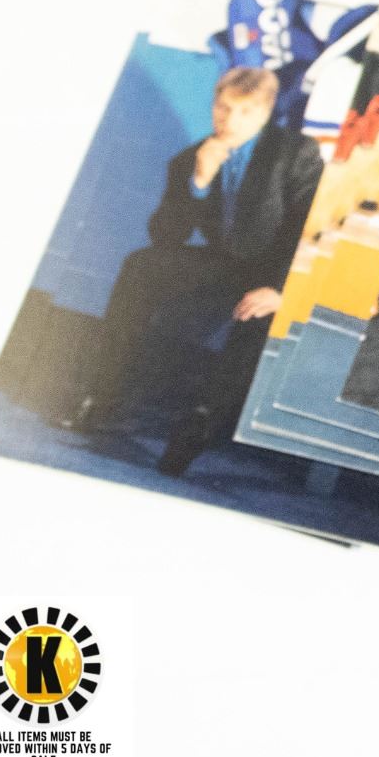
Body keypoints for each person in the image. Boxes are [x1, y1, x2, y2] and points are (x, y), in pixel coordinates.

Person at [59, 66, 324, 476]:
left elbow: (308, 227)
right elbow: (165, 236)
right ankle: (102, 395)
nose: (230, 121)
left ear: (266, 112)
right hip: (224, 262)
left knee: (255, 319)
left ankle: (198, 427)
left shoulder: (295, 153)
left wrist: (281, 288)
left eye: (245, 112)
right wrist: (199, 181)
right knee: (141, 266)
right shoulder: (191, 158)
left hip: (274, 269)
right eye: (223, 108)